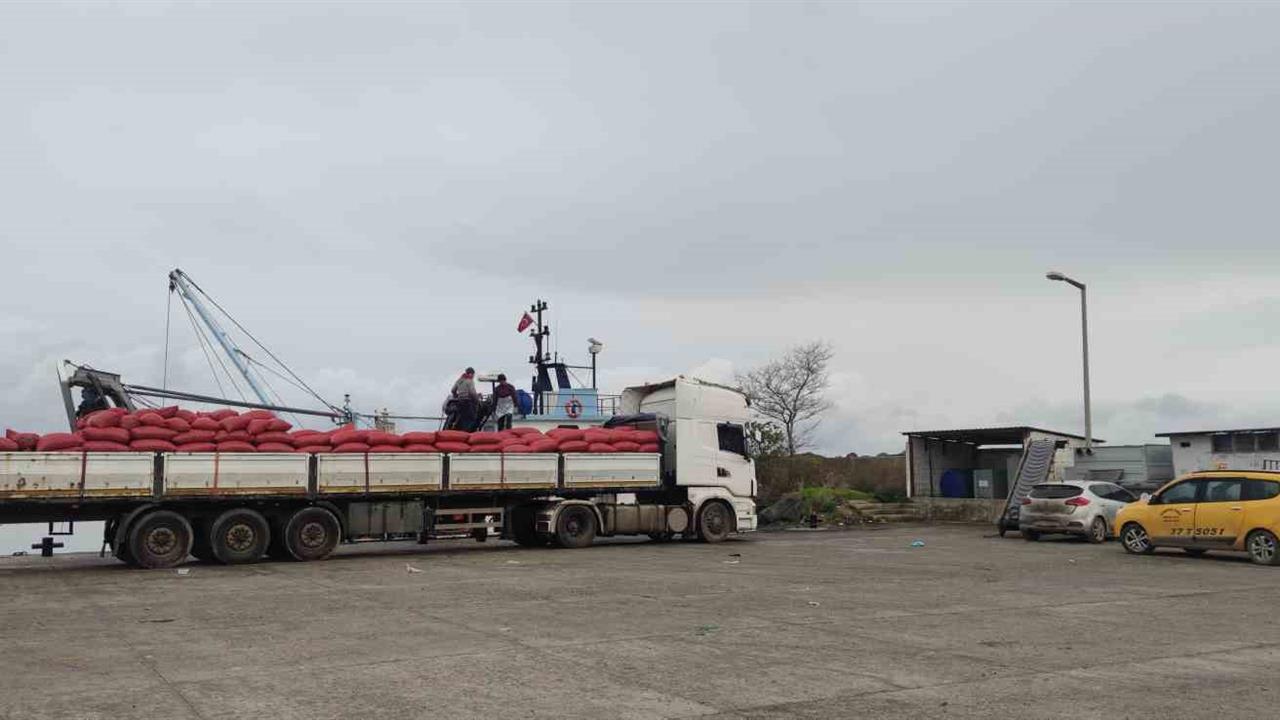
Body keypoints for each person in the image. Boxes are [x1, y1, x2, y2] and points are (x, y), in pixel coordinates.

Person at [450, 367, 479, 431]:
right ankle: (467, 433)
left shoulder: (459, 380)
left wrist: (457, 396)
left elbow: (453, 390)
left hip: (460, 402)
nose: (473, 376)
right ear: (471, 374)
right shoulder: (470, 381)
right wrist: (477, 400)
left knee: (462, 419)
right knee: (471, 419)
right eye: (473, 374)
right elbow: (472, 393)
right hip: (468, 403)